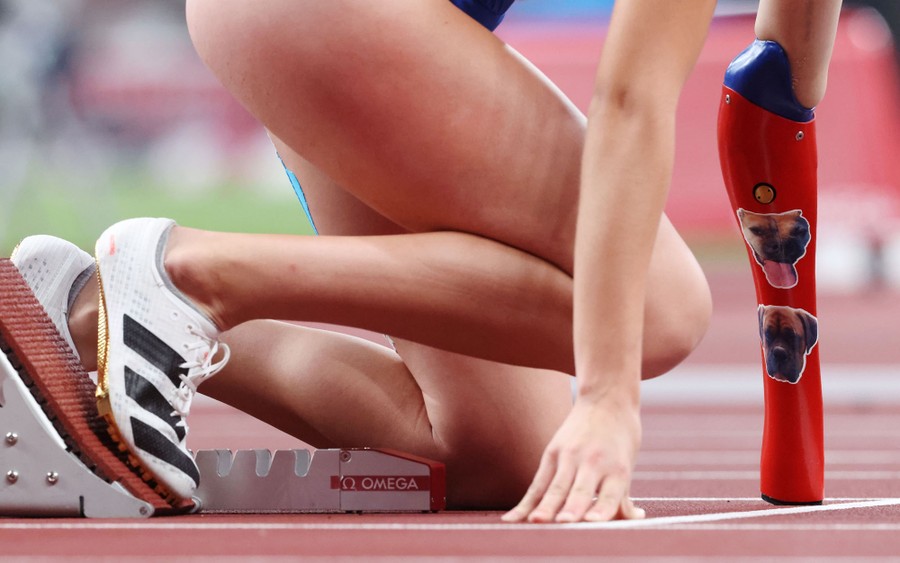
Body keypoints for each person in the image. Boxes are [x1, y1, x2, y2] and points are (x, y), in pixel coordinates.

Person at [12, 0, 843, 523]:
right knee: (661, 309)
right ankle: (191, 274)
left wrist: (795, 411)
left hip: (324, 26)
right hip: (332, 20)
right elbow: (629, 103)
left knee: (496, 449)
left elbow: (775, 90)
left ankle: (82, 309)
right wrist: (607, 393)